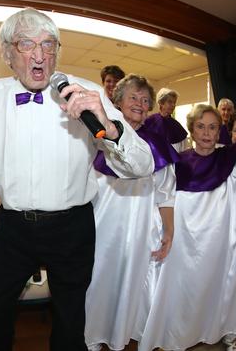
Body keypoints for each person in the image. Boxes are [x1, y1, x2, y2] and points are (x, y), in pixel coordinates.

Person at [0, 8, 154, 351]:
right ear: (7, 53)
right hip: (14, 228)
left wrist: (111, 128)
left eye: (48, 45)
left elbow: (142, 165)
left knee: (70, 321)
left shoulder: (88, 92)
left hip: (72, 227)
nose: (39, 55)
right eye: (26, 44)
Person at [138, 67, 236, 351]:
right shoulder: (177, 161)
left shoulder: (228, 157)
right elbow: (161, 199)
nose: (207, 133)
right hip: (182, 237)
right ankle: (175, 338)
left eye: (212, 127)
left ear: (218, 130)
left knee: (209, 291)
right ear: (192, 130)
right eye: (200, 127)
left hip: (216, 241)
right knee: (180, 290)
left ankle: (208, 332)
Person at [85, 74, 179, 351]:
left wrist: (169, 231)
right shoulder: (95, 138)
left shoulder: (158, 145)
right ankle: (91, 341)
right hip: (99, 230)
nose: (140, 103)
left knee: (130, 290)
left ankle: (119, 341)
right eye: (133, 97)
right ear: (116, 101)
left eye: (145, 100)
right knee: (96, 286)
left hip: (139, 234)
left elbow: (166, 193)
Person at [144, 87, 190, 152]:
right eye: (170, 102)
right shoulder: (149, 122)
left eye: (174, 102)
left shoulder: (176, 125)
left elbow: (182, 149)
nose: (173, 105)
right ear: (161, 103)